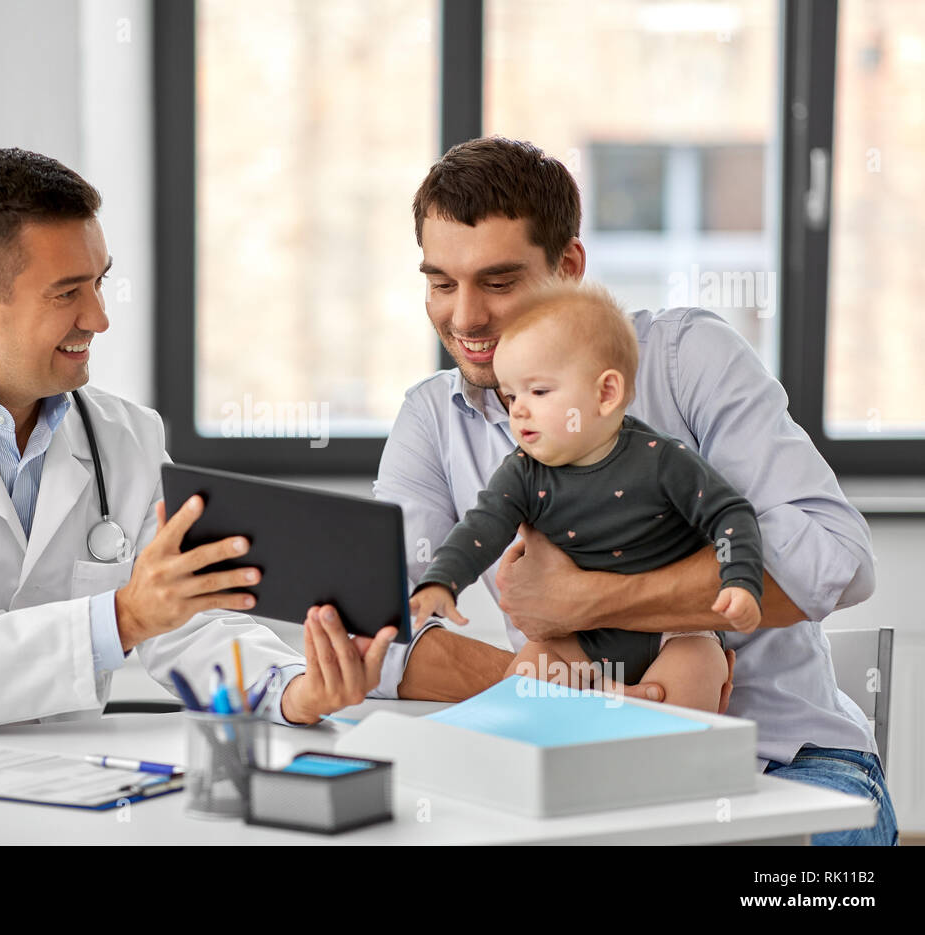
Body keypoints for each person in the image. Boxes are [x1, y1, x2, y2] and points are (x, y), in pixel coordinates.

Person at [377, 136, 897, 845]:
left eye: (498, 283)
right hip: (578, 769)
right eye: (441, 283)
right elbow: (377, 626)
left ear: (570, 267)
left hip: (784, 763)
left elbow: (837, 561)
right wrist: (561, 686)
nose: (465, 318)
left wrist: (585, 601)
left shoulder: (685, 363)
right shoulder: (434, 421)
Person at [0, 148, 394, 744]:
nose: (99, 317)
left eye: (101, 282)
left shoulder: (125, 439)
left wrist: (292, 690)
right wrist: (122, 617)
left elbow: (188, 621)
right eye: (67, 292)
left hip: (52, 777)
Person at [409, 280, 761, 712]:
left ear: (605, 393)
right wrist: (441, 581)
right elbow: (480, 528)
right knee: (526, 675)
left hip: (673, 634)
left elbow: (730, 514)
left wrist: (741, 579)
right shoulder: (522, 472)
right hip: (577, 641)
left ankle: (661, 765)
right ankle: (569, 750)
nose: (517, 409)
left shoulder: (661, 459)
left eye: (538, 392)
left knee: (693, 679)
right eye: (512, 393)